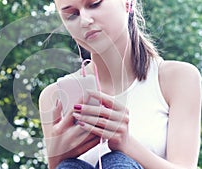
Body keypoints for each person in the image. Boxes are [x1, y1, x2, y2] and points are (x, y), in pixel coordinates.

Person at [38, 0, 201, 168]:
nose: (85, 21)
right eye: (72, 15)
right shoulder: (54, 96)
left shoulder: (177, 78)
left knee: (118, 162)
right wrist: (55, 159)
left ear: (128, 3)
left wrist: (126, 143)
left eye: (94, 4)